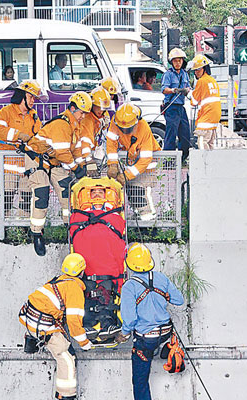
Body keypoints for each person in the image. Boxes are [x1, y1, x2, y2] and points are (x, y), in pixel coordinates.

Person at [25, 91, 92, 256]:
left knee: (67, 192)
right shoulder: (62, 124)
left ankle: (71, 227)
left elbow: (74, 150)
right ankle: (36, 233)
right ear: (73, 108)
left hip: (53, 162)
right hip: (37, 160)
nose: (83, 116)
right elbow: (63, 153)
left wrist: (82, 166)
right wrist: (76, 169)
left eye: (85, 113)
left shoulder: (74, 125)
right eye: (82, 112)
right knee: (41, 195)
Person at [19, 253, 91, 400]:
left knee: (58, 340)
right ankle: (66, 396)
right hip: (43, 325)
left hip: (28, 317)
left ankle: (33, 340)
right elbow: (74, 321)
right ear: (82, 272)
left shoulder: (57, 280)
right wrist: (84, 343)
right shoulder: (74, 288)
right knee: (67, 358)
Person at [116, 243, 184, 400]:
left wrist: (123, 334)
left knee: (140, 382)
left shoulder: (129, 286)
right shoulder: (161, 278)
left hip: (146, 339)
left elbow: (130, 319)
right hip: (166, 332)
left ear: (129, 264)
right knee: (153, 348)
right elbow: (178, 300)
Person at [69, 178, 126, 341]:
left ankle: (106, 322)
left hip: (106, 265)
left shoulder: (113, 215)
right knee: (89, 291)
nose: (97, 194)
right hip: (88, 264)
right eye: (94, 192)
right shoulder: (79, 215)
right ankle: (90, 322)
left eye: (101, 192)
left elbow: (119, 229)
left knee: (105, 291)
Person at [0, 80, 44, 236]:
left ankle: (24, 229)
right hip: (7, 166)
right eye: (31, 97)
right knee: (4, 199)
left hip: (26, 166)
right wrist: (18, 136)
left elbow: (39, 136)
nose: (33, 101)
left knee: (26, 199)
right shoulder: (6, 112)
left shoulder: (34, 116)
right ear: (23, 96)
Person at [106, 102, 161, 221]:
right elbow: (111, 144)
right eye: (122, 129)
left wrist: (126, 175)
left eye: (128, 129)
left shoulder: (143, 127)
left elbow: (145, 159)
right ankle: (139, 218)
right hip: (133, 164)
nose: (124, 131)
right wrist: (113, 164)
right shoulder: (116, 122)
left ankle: (150, 224)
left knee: (139, 191)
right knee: (131, 190)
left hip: (147, 167)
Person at [161, 48, 191, 162]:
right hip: (171, 107)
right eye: (175, 61)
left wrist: (186, 90)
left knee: (185, 134)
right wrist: (175, 90)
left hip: (181, 107)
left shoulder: (184, 74)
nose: (178, 63)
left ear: (183, 61)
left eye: (180, 60)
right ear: (172, 62)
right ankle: (168, 161)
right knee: (171, 134)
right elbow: (164, 89)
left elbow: (188, 87)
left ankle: (182, 159)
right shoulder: (168, 74)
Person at [189, 54, 221, 150]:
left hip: (206, 117)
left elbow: (194, 101)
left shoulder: (201, 81)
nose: (196, 72)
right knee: (210, 144)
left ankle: (204, 164)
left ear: (204, 69)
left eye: (198, 70)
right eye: (195, 70)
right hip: (214, 117)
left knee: (202, 142)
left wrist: (188, 93)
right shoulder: (212, 80)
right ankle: (211, 164)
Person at [79, 86, 111, 175]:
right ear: (92, 105)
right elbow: (85, 140)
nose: (101, 110)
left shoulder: (102, 114)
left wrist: (104, 126)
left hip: (93, 149)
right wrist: (89, 160)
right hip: (82, 153)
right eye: (99, 107)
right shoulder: (87, 119)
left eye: (104, 108)